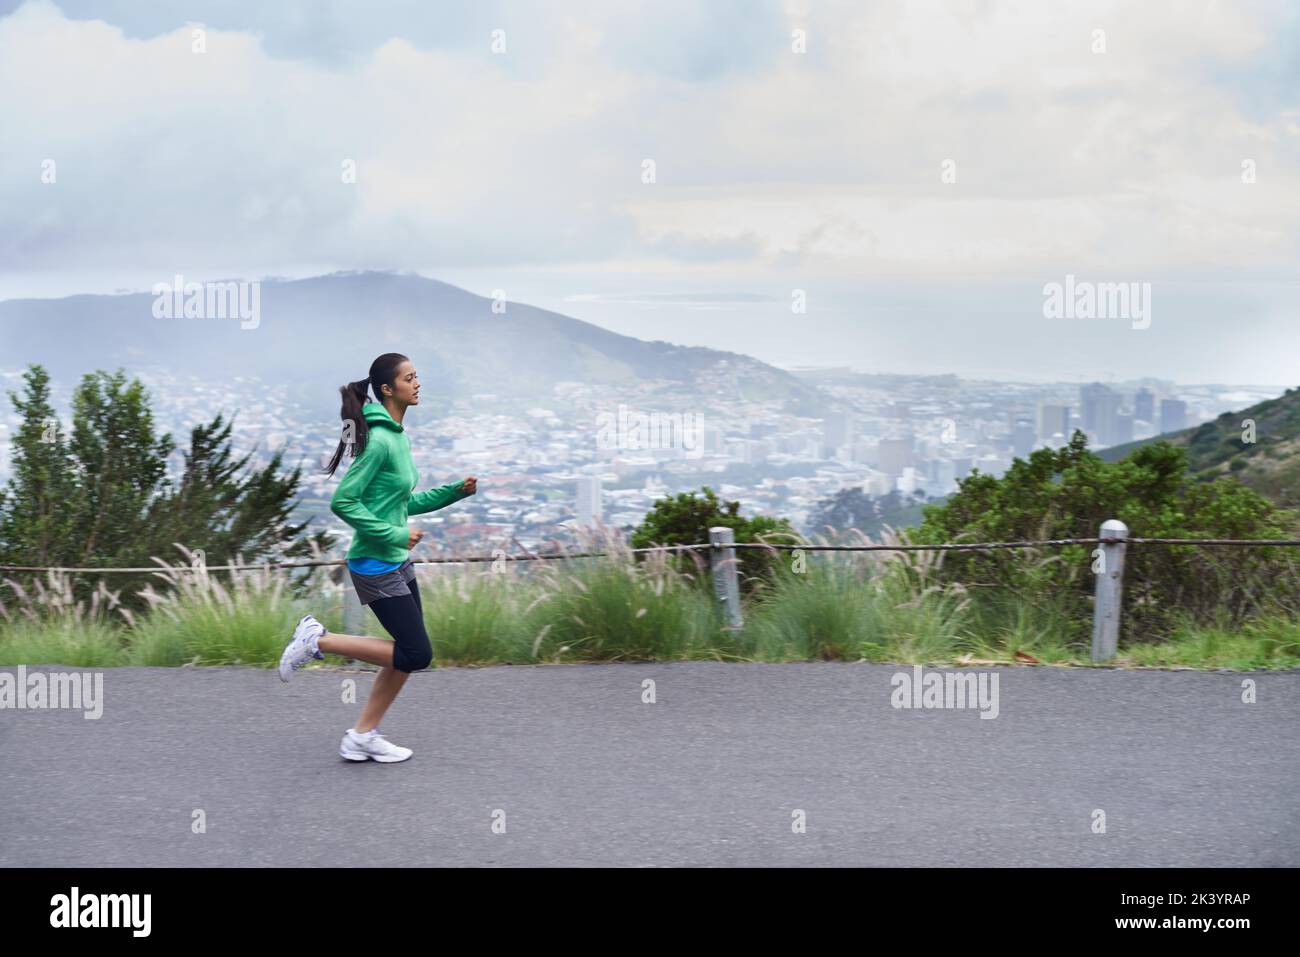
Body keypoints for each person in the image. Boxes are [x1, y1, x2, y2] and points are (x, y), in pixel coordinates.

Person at [279, 352, 476, 763]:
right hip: (374, 563)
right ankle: (318, 639)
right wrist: (396, 534)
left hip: (395, 560)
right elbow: (344, 501)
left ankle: (362, 735)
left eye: (417, 375)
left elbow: (402, 501)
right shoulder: (382, 441)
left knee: (405, 655)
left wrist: (453, 492)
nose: (417, 383)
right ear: (388, 389)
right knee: (416, 654)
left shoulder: (397, 436)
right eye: (409, 377)